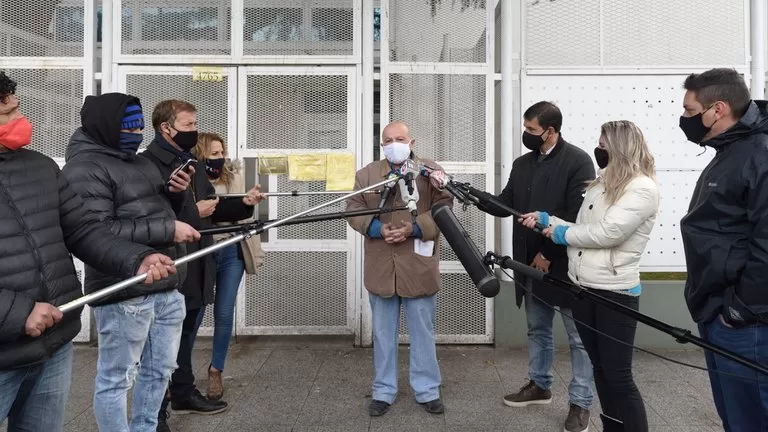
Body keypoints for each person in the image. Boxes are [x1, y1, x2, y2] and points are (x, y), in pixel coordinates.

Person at [0, 73, 176, 432]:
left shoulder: (40, 167)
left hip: (55, 342)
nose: (19, 121)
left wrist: (135, 258)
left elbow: (83, 230)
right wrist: (17, 313)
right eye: (7, 115)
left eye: (16, 109)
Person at [61, 93, 202, 432]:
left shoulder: (139, 161)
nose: (138, 132)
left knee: (160, 371)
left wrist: (176, 193)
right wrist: (167, 227)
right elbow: (96, 230)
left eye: (140, 125)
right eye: (129, 126)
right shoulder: (84, 168)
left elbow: (153, 209)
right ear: (107, 126)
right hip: (123, 289)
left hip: (166, 283)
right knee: (117, 378)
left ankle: (145, 428)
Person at [521, 120, 660, 432]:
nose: (598, 149)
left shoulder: (642, 188)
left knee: (619, 376)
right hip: (583, 288)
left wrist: (557, 233)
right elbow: (582, 225)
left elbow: (609, 232)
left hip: (614, 293)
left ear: (620, 148)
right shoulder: (601, 184)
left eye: (603, 144)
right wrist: (548, 219)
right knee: (600, 369)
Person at [141, 99, 263, 427]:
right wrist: (198, 211)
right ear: (165, 128)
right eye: (188, 126)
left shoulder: (189, 163)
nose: (195, 132)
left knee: (187, 332)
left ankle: (182, 391)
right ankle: (155, 411)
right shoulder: (147, 165)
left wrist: (244, 205)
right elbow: (155, 216)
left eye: (196, 124)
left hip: (198, 264)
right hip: (171, 265)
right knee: (161, 342)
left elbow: (213, 207)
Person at [491, 101, 596, 432]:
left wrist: (549, 254)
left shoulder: (578, 162)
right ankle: (540, 385)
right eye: (526, 128)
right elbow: (505, 202)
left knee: (579, 339)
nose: (527, 135)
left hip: (565, 266)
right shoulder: (523, 164)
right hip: (529, 266)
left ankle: (580, 404)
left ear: (551, 131)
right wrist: (471, 195)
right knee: (538, 329)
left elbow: (578, 215)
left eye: (532, 130)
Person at [678, 68, 768, 431]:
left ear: (717, 109)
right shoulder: (730, 151)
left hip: (746, 322)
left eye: (689, 110)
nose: (684, 119)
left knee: (751, 419)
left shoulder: (758, 154)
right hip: (720, 312)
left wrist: (739, 310)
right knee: (734, 417)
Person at [346, 120, 453, 417]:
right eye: (389, 139)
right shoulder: (367, 174)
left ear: (412, 142)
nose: (395, 143)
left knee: (422, 331)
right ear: (382, 145)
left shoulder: (429, 171)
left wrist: (415, 228)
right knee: (382, 333)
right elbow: (352, 208)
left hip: (418, 265)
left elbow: (445, 206)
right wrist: (377, 228)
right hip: (381, 265)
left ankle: (428, 389)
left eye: (400, 138)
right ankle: (383, 390)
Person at [191, 132, 264, 401]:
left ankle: (215, 370)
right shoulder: (189, 180)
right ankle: (180, 374)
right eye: (213, 154)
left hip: (230, 251)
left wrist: (248, 202)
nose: (220, 158)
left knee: (223, 314)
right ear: (200, 155)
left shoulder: (232, 176)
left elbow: (241, 209)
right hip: (201, 252)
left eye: (222, 153)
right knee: (194, 314)